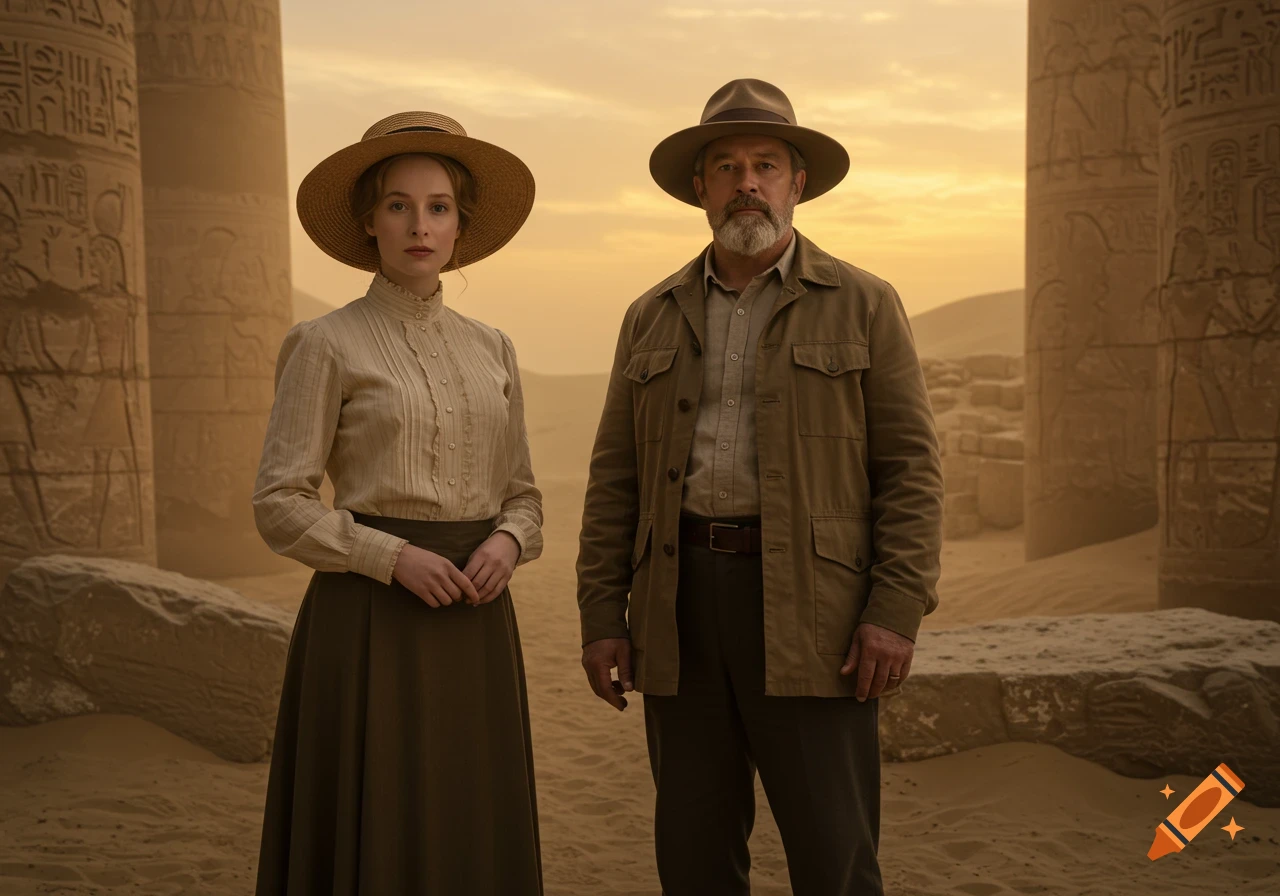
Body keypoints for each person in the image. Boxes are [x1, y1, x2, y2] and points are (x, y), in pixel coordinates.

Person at [575, 79, 944, 895]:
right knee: (696, 852)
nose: (748, 182)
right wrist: (604, 615)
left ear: (797, 183)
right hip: (678, 608)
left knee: (833, 851)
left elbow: (912, 471)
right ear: (700, 188)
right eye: (728, 166)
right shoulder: (650, 314)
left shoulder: (865, 305)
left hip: (819, 614)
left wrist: (895, 611)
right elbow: (615, 479)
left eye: (767, 165)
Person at [252, 111, 544, 894]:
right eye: (399, 205)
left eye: (439, 206)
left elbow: (522, 494)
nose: (420, 224)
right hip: (369, 621)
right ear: (368, 222)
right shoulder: (325, 342)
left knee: (470, 821)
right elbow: (280, 503)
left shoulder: (495, 348)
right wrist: (391, 558)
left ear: (459, 227)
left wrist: (508, 543)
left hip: (478, 618)